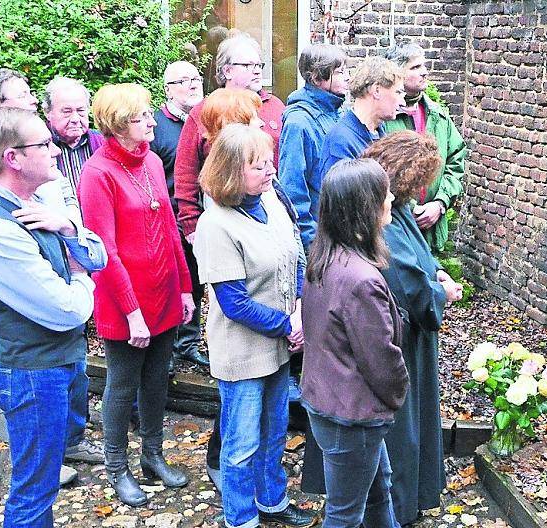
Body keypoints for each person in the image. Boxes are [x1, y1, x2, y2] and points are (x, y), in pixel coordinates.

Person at [0, 107, 107, 527]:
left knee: (41, 483)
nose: (55, 151)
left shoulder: (36, 199)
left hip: (56, 362)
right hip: (31, 372)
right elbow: (70, 309)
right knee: (34, 489)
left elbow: (98, 254)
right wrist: (81, 273)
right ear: (13, 158)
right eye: (43, 144)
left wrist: (71, 232)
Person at [192, 124, 315, 528]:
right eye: (258, 165)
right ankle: (241, 518)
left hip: (280, 344)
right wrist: (288, 324)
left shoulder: (271, 204)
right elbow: (233, 303)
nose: (270, 171)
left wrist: (299, 306)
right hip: (243, 351)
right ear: (230, 172)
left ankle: (273, 502)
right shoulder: (217, 225)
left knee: (274, 433)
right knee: (241, 444)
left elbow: (294, 259)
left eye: (268, 161)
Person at [77, 84, 194, 507]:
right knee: (122, 386)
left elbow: (170, 229)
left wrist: (184, 287)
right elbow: (103, 252)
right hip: (123, 304)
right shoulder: (98, 174)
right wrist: (132, 314)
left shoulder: (148, 161)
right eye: (141, 116)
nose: (151, 121)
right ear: (118, 126)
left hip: (162, 295)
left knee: (157, 380)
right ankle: (116, 468)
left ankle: (152, 455)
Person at [362, 131, 463, 524]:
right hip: (401, 339)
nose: (423, 187)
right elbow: (405, 279)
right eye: (420, 178)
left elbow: (419, 255)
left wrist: (437, 271)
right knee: (402, 428)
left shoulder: (397, 205)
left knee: (414, 421)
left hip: (410, 334)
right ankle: (398, 508)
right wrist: (441, 294)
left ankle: (410, 498)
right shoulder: (383, 218)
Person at [301, 158, 407, 528]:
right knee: (345, 516)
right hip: (351, 415)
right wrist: (396, 397)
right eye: (384, 194)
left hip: (329, 401)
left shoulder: (325, 258)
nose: (391, 199)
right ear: (365, 208)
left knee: (379, 490)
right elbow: (381, 360)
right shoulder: (361, 280)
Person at [173, 86, 267, 490]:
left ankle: (249, 459)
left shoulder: (258, 175)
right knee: (236, 375)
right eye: (252, 120)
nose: (262, 125)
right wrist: (193, 229)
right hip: (235, 283)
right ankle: (223, 457)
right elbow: (184, 185)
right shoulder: (223, 185)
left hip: (262, 286)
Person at [174, 33, 285, 244]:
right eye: (248, 65)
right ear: (227, 70)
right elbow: (185, 172)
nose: (257, 70)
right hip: (222, 213)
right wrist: (191, 224)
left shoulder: (274, 107)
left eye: (259, 64)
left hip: (271, 213)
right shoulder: (205, 111)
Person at [149, 61, 209, 371]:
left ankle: (188, 344)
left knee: (196, 282)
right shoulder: (157, 127)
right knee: (172, 286)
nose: (192, 84)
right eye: (182, 81)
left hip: (198, 220)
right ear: (168, 89)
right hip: (168, 223)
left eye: (195, 78)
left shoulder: (205, 120)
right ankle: (167, 351)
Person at [383, 43, 466, 253]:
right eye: (416, 67)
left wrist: (440, 203)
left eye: (424, 65)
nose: (424, 72)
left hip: (431, 230)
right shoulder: (384, 118)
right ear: (397, 72)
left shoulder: (438, 116)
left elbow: (456, 161)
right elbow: (379, 172)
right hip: (396, 229)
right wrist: (412, 209)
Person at [0, 68, 79, 225]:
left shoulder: (36, 141)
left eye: (30, 93)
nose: (34, 100)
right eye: (22, 95)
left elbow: (64, 188)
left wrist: (71, 226)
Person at [278, 43, 349, 252]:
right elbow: (292, 187)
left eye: (347, 70)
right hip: (320, 239)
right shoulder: (298, 122)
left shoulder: (340, 113)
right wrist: (312, 242)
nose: (347, 77)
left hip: (343, 234)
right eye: (340, 72)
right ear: (317, 78)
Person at [314, 57, 405, 182]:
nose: (403, 102)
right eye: (398, 92)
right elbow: (343, 198)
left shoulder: (380, 132)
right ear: (376, 90)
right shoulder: (340, 141)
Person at [42, 77, 106, 191]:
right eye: (67, 112)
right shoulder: (38, 147)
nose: (75, 119)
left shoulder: (102, 143)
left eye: (81, 110)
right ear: (48, 113)